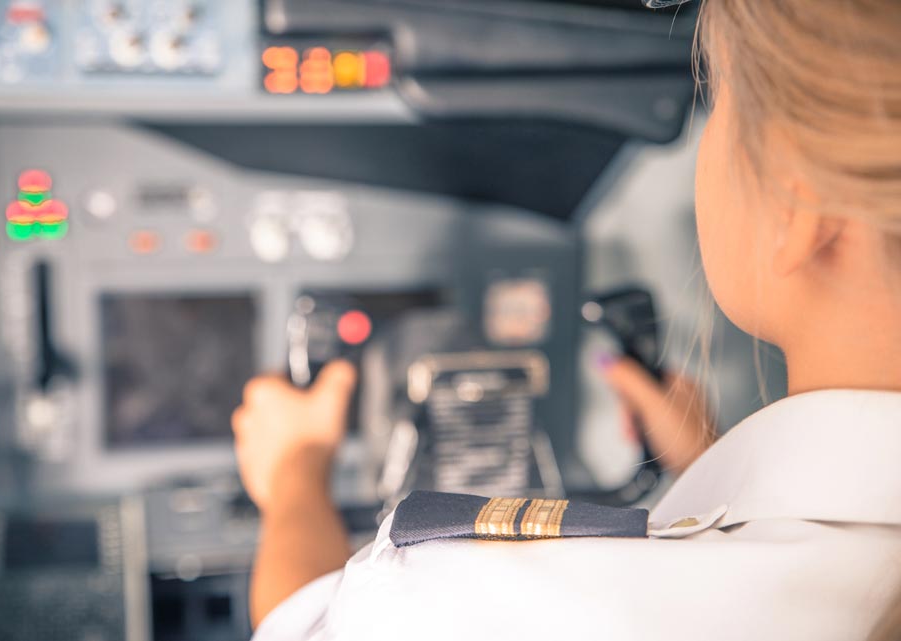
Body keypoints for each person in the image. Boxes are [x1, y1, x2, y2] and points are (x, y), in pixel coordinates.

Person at [231, 1, 901, 639]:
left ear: (793, 203)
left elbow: (299, 621)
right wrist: (707, 461)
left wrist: (293, 470)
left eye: (719, 99)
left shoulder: (478, 601)